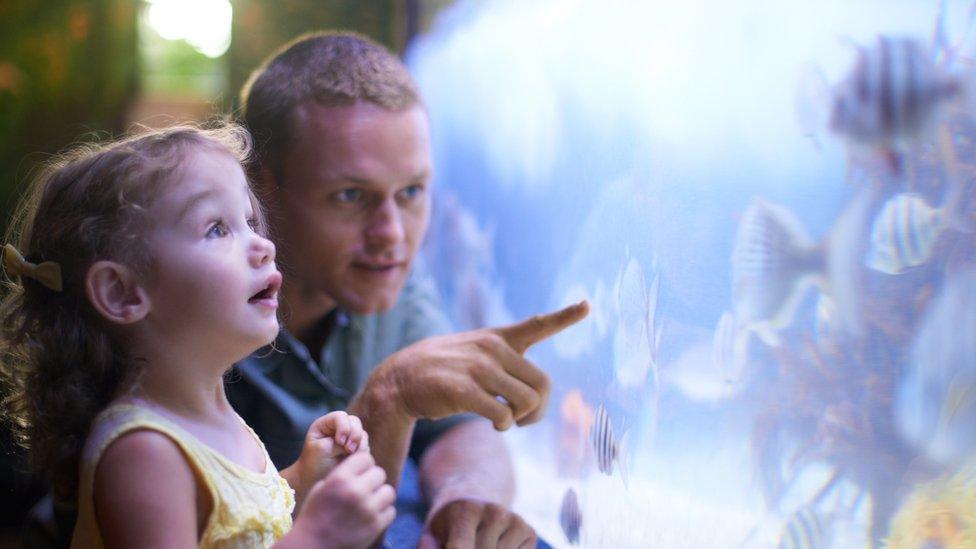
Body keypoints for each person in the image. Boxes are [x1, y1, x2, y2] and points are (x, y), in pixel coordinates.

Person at [232, 31, 588, 548]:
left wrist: (464, 503)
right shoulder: (189, 310)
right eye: (351, 195)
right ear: (259, 187)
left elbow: (460, 428)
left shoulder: (382, 266)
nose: (393, 235)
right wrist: (391, 394)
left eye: (412, 192)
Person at [0, 125, 397, 548]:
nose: (262, 245)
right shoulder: (144, 453)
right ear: (122, 292)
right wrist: (318, 536)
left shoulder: (204, 417)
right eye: (216, 229)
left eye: (247, 221)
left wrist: (302, 479)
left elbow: (238, 528)